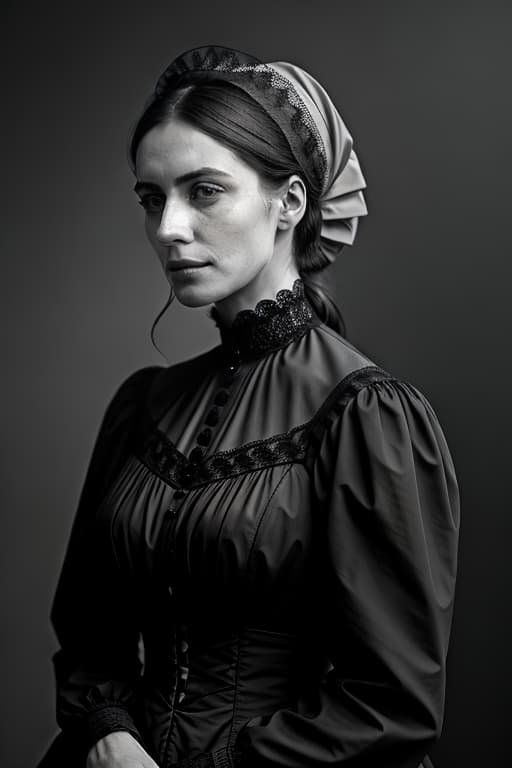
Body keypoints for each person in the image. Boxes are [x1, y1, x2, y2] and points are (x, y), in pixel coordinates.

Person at [37, 45, 459, 768]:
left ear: (290, 202)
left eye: (202, 191)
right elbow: (89, 634)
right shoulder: (141, 406)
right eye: (151, 197)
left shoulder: (367, 415)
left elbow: (391, 705)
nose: (168, 228)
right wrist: (109, 731)